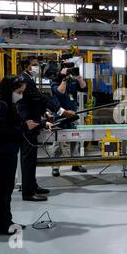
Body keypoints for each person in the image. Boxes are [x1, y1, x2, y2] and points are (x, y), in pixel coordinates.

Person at [0, 75, 41, 235]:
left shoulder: (8, 105)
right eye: (19, 91)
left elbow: (16, 124)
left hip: (8, 153)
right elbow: (2, 131)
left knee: (6, 190)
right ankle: (1, 225)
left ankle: (6, 221)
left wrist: (42, 123)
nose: (21, 95)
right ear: (9, 89)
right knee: (3, 191)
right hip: (3, 154)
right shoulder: (0, 106)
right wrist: (24, 127)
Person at [18, 58, 75, 201]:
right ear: (26, 66)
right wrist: (62, 112)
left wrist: (45, 115)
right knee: (28, 160)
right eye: (35, 65)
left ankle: (33, 186)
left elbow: (35, 101)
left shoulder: (28, 79)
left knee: (31, 160)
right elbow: (40, 99)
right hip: (28, 124)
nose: (38, 67)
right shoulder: (25, 80)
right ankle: (28, 193)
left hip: (34, 121)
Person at [50, 66, 88, 176]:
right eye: (67, 70)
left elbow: (84, 88)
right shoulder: (55, 80)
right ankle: (55, 166)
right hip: (59, 114)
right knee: (57, 141)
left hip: (72, 114)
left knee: (75, 138)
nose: (69, 72)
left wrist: (79, 78)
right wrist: (64, 78)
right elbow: (60, 92)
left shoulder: (73, 81)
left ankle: (76, 164)